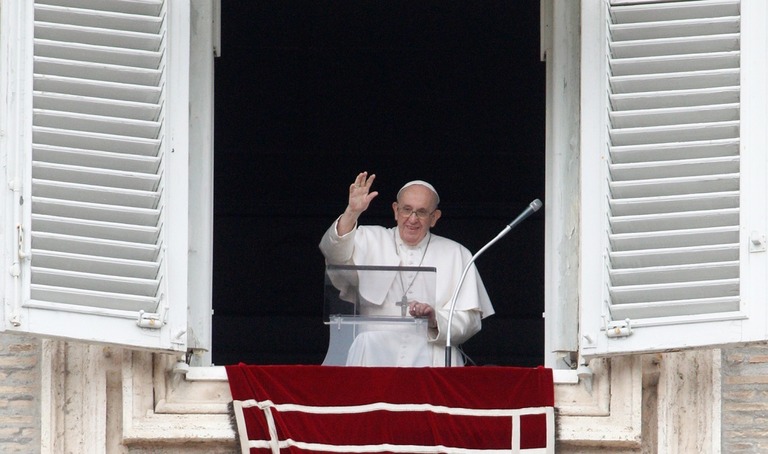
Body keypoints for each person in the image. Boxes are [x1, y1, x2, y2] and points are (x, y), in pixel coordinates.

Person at [319, 171, 494, 366]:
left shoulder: (456, 253)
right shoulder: (368, 238)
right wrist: (352, 212)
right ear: (395, 210)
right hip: (373, 355)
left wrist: (435, 319)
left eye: (421, 212)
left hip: (432, 357)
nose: (412, 219)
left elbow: (470, 320)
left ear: (434, 217)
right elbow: (333, 254)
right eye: (406, 209)